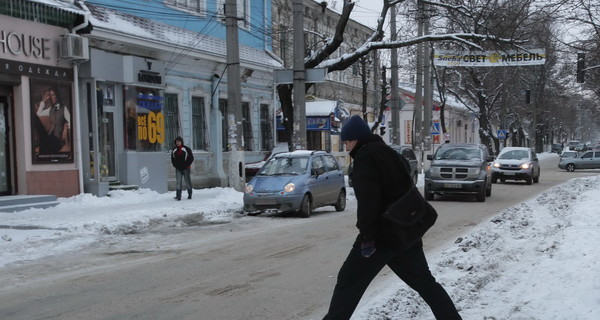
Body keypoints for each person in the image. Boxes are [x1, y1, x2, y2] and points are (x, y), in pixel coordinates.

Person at [323, 115, 461, 320]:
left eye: (347, 142)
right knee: (424, 282)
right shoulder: (391, 153)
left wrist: (368, 238)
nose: (347, 147)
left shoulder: (365, 159)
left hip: (381, 237)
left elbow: (369, 203)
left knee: (348, 282)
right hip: (405, 232)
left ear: (356, 139)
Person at [35, 87, 71, 153]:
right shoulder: (50, 109)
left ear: (57, 95)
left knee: (44, 145)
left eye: (53, 95)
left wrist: (66, 128)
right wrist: (44, 101)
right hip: (49, 138)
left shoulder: (63, 108)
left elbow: (71, 122)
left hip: (57, 139)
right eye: (51, 95)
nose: (52, 97)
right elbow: (38, 116)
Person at [171, 136, 194, 200]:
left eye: (179, 142)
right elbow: (173, 160)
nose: (177, 143)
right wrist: (175, 166)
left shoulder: (186, 149)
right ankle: (178, 196)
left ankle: (190, 194)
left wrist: (186, 165)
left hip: (186, 168)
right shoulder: (174, 150)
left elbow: (191, 158)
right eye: (176, 142)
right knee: (178, 182)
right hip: (178, 169)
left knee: (187, 181)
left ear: (181, 142)